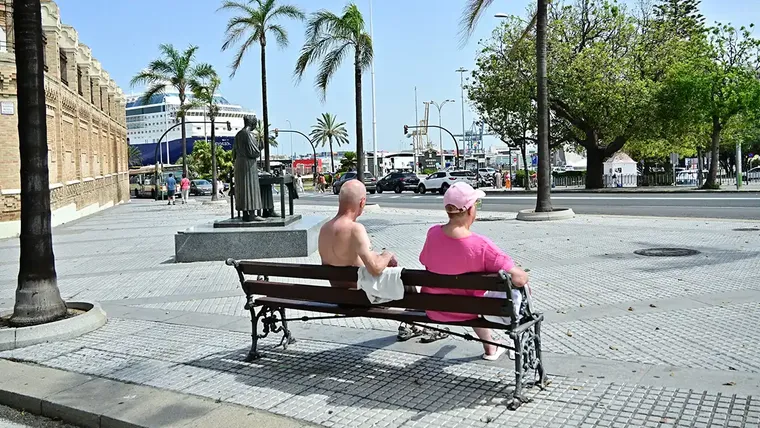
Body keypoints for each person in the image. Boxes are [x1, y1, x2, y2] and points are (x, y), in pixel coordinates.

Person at [419, 182, 529, 361]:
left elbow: (424, 260)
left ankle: (491, 347)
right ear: (470, 210)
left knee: (467, 295)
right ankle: (506, 344)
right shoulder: (481, 245)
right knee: (510, 291)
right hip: (470, 310)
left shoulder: (432, 234)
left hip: (435, 308)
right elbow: (520, 278)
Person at [318, 179, 397, 288]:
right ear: (362, 202)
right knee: (405, 284)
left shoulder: (324, 229)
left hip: (337, 295)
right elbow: (375, 268)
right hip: (360, 296)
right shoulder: (355, 229)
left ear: (340, 200)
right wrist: (387, 255)